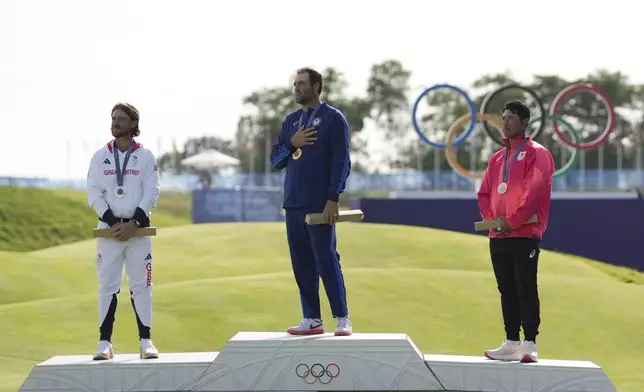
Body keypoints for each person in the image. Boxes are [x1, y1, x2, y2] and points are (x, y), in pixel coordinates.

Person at [270, 67, 352, 336]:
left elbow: (342, 161)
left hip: (319, 204)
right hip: (293, 202)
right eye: (295, 84)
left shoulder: (333, 119)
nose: (297, 88)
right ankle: (312, 319)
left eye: (302, 83)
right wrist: (292, 144)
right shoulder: (290, 122)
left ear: (317, 86)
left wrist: (333, 198)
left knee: (326, 260)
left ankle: (342, 318)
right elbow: (275, 161)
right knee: (301, 262)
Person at [477, 100, 554, 363]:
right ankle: (511, 341)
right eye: (503, 117)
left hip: (524, 232)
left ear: (524, 123)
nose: (505, 122)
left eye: (511, 117)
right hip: (498, 234)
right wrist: (492, 220)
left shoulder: (537, 153)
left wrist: (513, 219)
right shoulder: (497, 158)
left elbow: (536, 189)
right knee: (506, 288)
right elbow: (485, 192)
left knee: (525, 286)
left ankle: (530, 343)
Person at [86, 102, 161, 360]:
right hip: (109, 231)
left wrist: (134, 223)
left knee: (142, 286)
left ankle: (145, 341)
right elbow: (93, 192)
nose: (115, 122)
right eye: (113, 118)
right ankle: (104, 343)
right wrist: (112, 221)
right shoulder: (99, 157)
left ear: (133, 124)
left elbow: (152, 192)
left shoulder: (145, 156)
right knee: (108, 287)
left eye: (121, 118)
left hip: (137, 231)